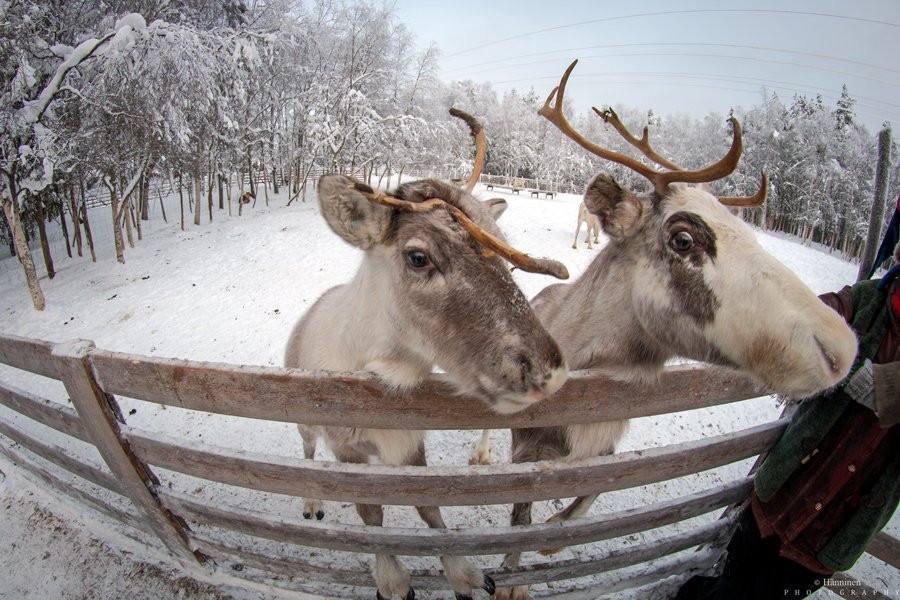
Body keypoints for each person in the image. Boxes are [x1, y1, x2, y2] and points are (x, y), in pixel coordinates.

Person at [676, 239, 900, 600]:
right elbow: (806, 319)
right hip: (780, 494)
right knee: (726, 585)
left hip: (832, 533)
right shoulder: (867, 300)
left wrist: (871, 381)